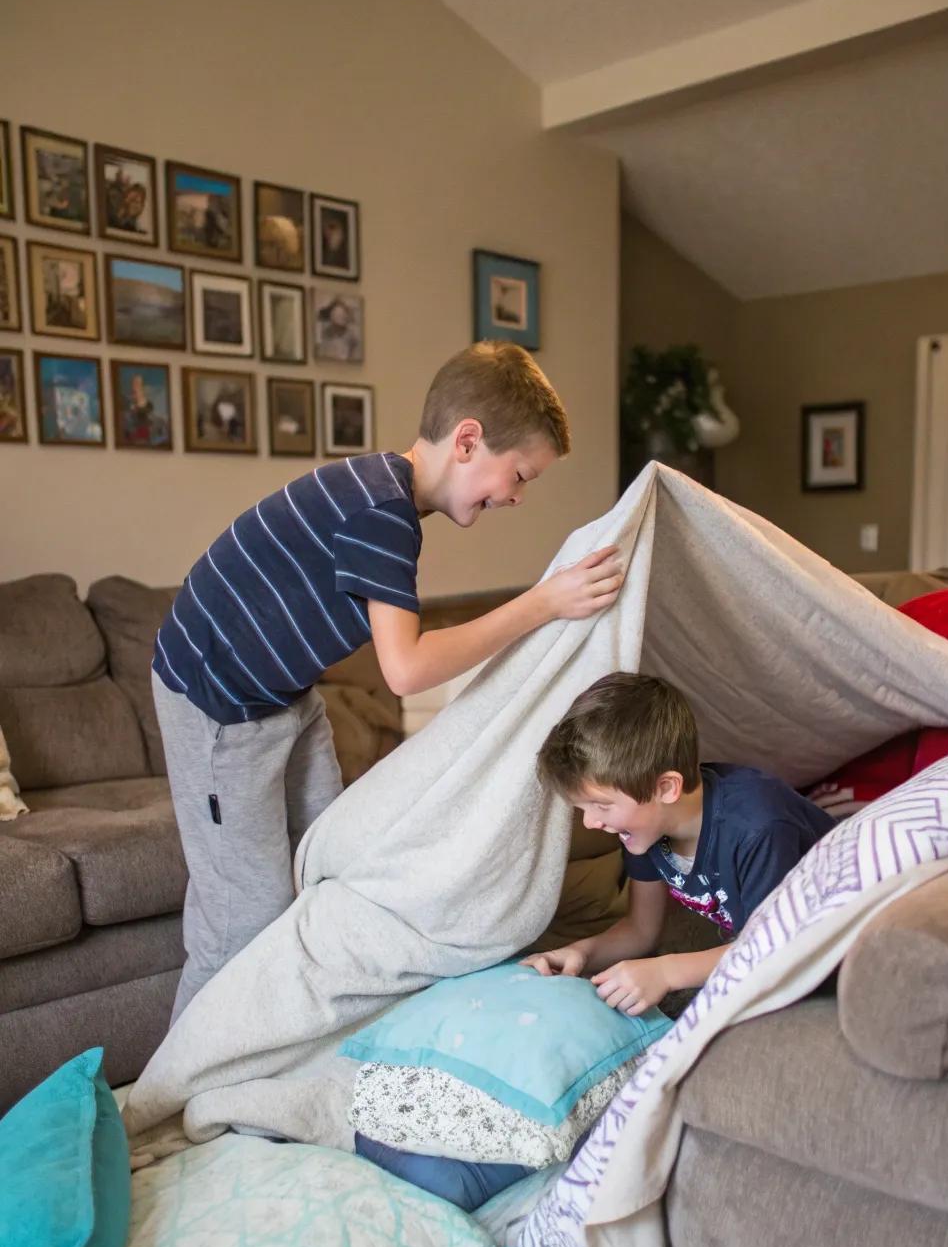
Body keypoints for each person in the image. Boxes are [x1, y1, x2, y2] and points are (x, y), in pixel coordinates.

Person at [153, 341, 622, 1024]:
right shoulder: (382, 514)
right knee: (242, 917)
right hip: (217, 709)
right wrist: (541, 603)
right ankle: (175, 1085)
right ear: (467, 441)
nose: (516, 497)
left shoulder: (383, 495)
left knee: (332, 867)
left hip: (284, 698)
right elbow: (405, 671)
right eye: (518, 475)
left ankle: (294, 1042)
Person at [523, 672, 835, 1014]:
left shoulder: (758, 828)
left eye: (602, 805)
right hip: (762, 941)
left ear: (666, 788)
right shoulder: (647, 828)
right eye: (582, 809)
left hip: (832, 945)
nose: (591, 823)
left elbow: (775, 947)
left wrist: (667, 971)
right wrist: (582, 953)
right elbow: (641, 930)